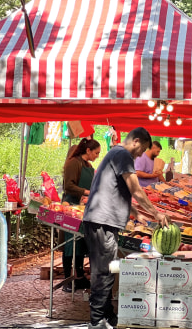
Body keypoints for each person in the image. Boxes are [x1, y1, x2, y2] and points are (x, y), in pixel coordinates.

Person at [82, 127, 168, 329]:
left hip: (101, 220)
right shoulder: (123, 154)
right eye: (142, 149)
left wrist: (134, 212)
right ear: (136, 142)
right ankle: (96, 322)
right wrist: (156, 213)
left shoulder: (114, 153)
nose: (141, 154)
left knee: (107, 270)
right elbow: (135, 189)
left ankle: (108, 316)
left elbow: (112, 188)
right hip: (102, 221)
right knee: (103, 272)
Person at [61, 138, 101, 293]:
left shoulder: (88, 165)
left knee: (81, 242)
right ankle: (66, 279)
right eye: (96, 152)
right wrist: (86, 192)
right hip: (70, 207)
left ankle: (79, 277)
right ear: (88, 151)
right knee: (71, 243)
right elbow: (69, 186)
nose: (97, 155)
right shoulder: (73, 163)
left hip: (83, 207)